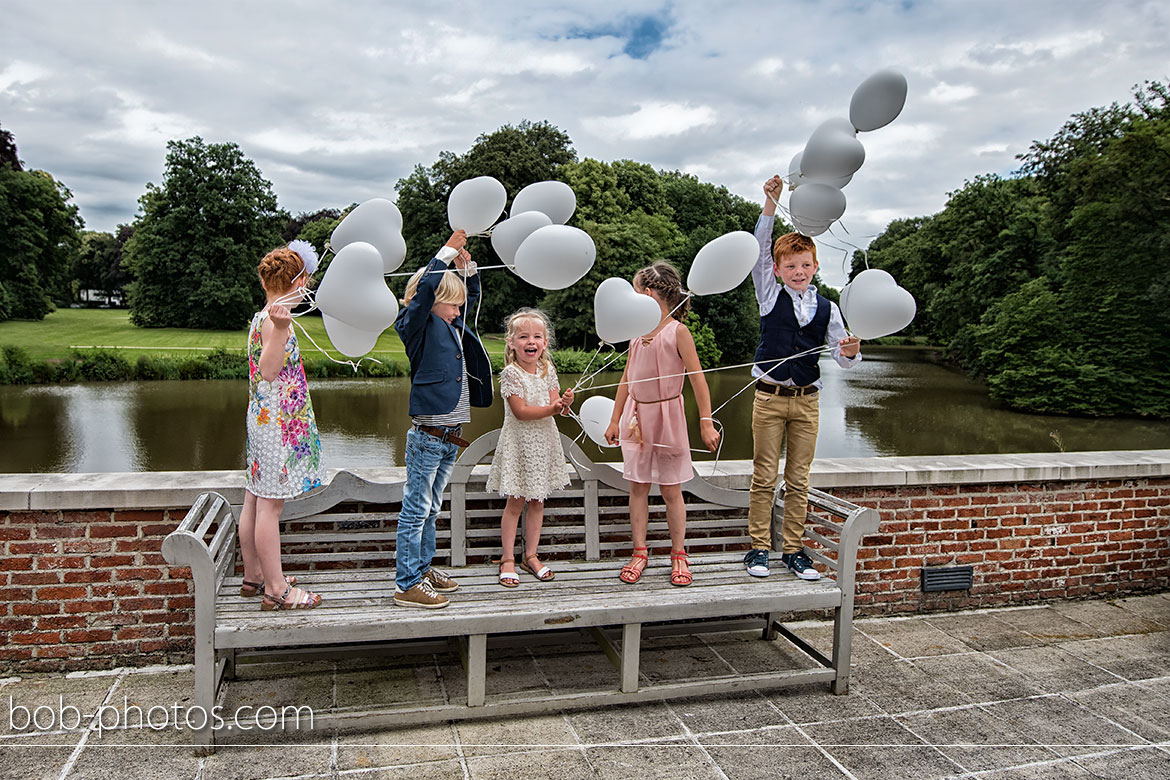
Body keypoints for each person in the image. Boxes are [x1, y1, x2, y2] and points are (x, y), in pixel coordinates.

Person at [745, 176, 861, 580]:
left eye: (805, 265)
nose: (798, 271)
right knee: (763, 476)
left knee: (798, 479)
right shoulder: (768, 295)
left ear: (815, 267)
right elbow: (759, 248)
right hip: (770, 398)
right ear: (777, 269)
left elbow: (843, 358)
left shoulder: (829, 308)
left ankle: (793, 550)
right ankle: (759, 547)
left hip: (808, 401)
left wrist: (850, 352)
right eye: (790, 266)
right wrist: (771, 203)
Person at [392, 230, 493, 609]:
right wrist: (447, 253)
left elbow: (472, 303)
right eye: (451, 304)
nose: (457, 311)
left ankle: (421, 569)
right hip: (428, 436)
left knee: (432, 508)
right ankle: (406, 583)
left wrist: (469, 272)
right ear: (433, 301)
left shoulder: (453, 325)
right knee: (416, 510)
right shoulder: (414, 325)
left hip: (450, 436)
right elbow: (423, 298)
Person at [604, 261, 721, 587]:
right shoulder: (635, 334)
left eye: (635, 292)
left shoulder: (678, 332)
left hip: (668, 417)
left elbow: (698, 381)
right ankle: (639, 551)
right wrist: (615, 419)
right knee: (638, 487)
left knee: (671, 490)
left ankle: (679, 554)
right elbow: (627, 379)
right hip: (637, 419)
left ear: (650, 294)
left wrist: (706, 423)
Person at [239, 240, 325, 611]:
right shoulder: (277, 322)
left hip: (261, 420)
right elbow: (270, 371)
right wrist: (281, 328)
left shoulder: (260, 317)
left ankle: (254, 576)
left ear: (264, 282)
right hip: (276, 425)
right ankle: (277, 589)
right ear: (300, 281)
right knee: (269, 506)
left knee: (255, 496)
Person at [486, 308, 574, 587]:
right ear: (511, 342)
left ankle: (531, 555)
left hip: (544, 443)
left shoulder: (548, 371)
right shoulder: (511, 374)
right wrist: (552, 408)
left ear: (545, 342)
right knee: (516, 502)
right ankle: (508, 558)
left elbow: (556, 407)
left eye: (537, 336)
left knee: (538, 501)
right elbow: (521, 412)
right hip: (519, 444)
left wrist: (565, 405)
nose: (530, 342)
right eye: (523, 336)